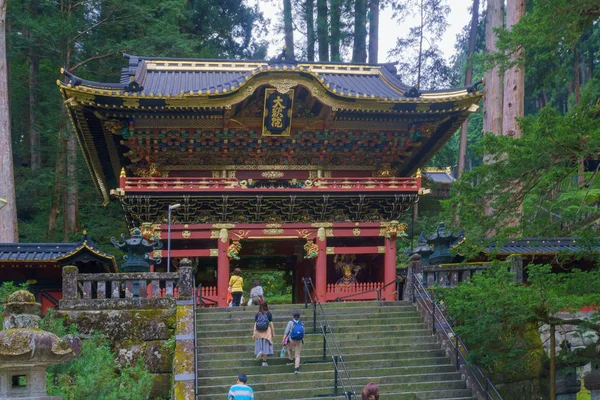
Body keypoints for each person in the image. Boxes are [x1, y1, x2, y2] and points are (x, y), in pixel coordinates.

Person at [252, 302, 274, 366]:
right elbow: (271, 324)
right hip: (266, 333)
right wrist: (273, 333)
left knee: (260, 346)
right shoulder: (269, 314)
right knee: (266, 347)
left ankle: (260, 352)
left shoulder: (257, 314)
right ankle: (264, 362)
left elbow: (255, 324)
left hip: (258, 333)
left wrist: (254, 333)